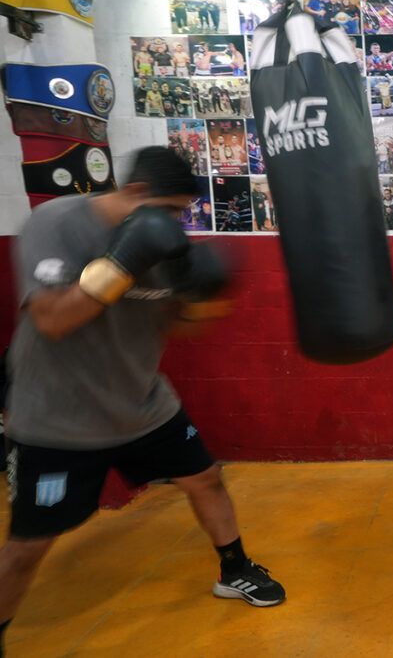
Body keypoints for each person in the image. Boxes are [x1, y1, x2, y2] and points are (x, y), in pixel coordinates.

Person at [0, 147, 286, 655]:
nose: (176, 223)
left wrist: (206, 298)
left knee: (206, 479)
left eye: (181, 213)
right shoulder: (57, 224)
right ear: (134, 192)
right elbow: (52, 320)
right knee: (28, 546)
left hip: (142, 402)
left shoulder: (166, 243)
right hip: (57, 414)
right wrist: (123, 262)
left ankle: (235, 568)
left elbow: (180, 326)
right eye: (170, 210)